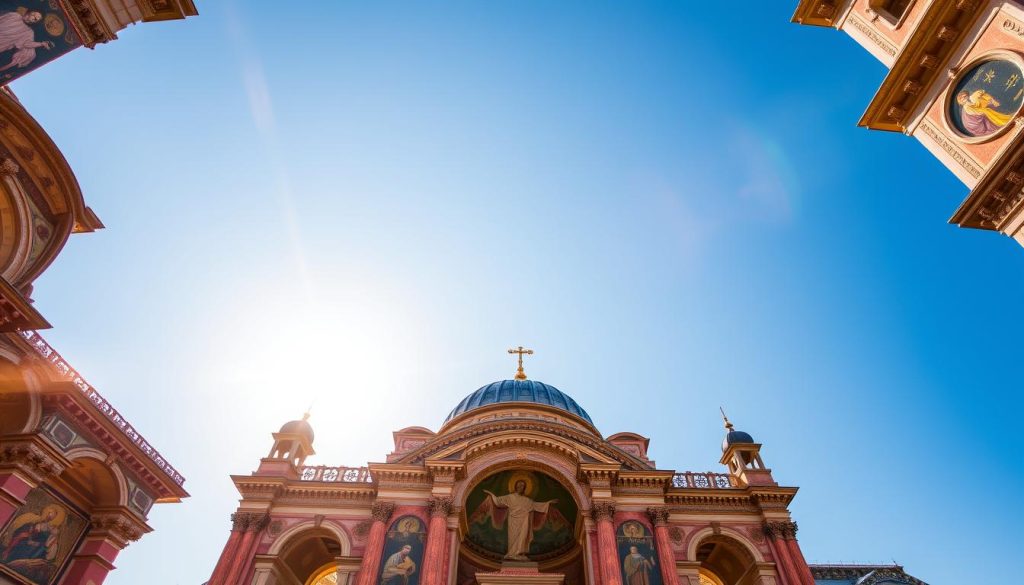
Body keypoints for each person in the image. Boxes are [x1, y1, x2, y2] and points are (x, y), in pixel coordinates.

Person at [482, 480, 558, 561]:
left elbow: (537, 505)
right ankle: (512, 554)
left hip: (524, 521)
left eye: (522, 486)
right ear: (515, 487)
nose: (520, 487)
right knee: (513, 537)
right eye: (518, 485)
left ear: (524, 488)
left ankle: (520, 554)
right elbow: (498, 501)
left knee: (523, 536)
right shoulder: (510, 497)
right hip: (513, 522)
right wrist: (491, 494)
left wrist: (548, 503)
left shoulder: (527, 500)